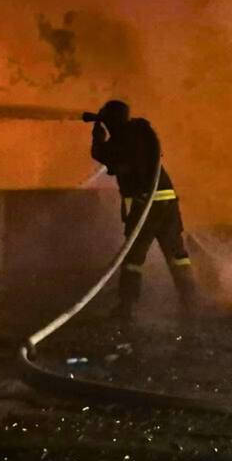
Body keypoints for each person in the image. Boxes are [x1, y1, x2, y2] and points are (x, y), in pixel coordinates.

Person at [88, 100, 197, 319]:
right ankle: (190, 302)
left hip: (145, 205)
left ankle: (126, 306)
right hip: (167, 202)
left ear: (112, 121)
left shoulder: (122, 138)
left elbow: (102, 154)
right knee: (177, 254)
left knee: (133, 258)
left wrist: (98, 137)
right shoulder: (142, 133)